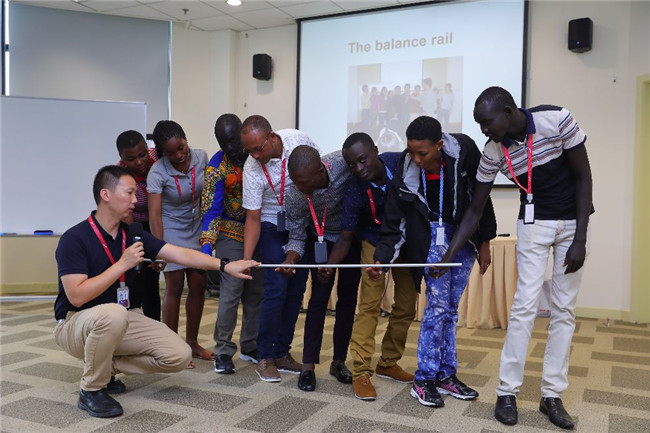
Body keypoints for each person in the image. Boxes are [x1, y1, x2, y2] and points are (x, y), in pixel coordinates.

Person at [434, 87, 593, 429]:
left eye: (487, 122)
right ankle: (507, 393)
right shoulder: (493, 151)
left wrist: (580, 237)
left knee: (564, 309)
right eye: (479, 124)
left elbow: (584, 177)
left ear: (508, 111)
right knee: (523, 306)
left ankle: (552, 395)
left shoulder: (556, 119)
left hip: (572, 224)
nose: (483, 130)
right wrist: (449, 253)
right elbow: (475, 209)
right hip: (534, 225)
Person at [54, 165, 258, 418]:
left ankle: (104, 367)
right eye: (129, 193)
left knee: (179, 355)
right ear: (106, 195)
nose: (135, 200)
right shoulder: (74, 238)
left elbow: (180, 254)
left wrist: (225, 265)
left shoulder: (133, 234)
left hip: (121, 318)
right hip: (75, 323)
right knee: (113, 314)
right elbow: (76, 296)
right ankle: (91, 390)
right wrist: (122, 265)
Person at [369, 115, 496, 408]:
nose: (416, 158)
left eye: (422, 153)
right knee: (437, 308)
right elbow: (394, 220)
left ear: (439, 145)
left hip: (462, 238)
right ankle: (424, 378)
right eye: (411, 151)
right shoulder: (406, 166)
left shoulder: (464, 151)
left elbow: (482, 198)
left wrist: (485, 241)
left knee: (450, 309)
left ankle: (445, 375)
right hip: (429, 238)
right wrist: (382, 260)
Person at [319, 132, 418, 401]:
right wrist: (330, 264)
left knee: (406, 305)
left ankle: (388, 362)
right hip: (374, 242)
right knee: (370, 305)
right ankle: (361, 371)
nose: (359, 168)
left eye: (363, 160)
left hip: (405, 239)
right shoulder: (355, 188)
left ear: (375, 150)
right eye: (352, 165)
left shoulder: (400, 163)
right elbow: (346, 237)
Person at [240, 115, 317, 383]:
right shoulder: (252, 168)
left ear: (272, 137)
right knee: (276, 289)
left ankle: (282, 352)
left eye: (258, 148)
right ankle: (265, 356)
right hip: (270, 224)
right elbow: (253, 217)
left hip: (301, 221)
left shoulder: (298, 140)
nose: (254, 155)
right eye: (248, 151)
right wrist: (246, 260)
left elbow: (317, 171)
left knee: (296, 291)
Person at [279, 145, 361, 392]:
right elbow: (296, 236)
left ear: (319, 171)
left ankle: (338, 362)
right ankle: (308, 367)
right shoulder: (294, 194)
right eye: (295, 180)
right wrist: (290, 259)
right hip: (321, 240)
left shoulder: (342, 164)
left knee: (347, 299)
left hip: (350, 237)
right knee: (318, 301)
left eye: (303, 182)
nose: (298, 186)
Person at [200, 114, 264, 374]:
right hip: (230, 234)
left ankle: (250, 345)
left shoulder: (257, 156)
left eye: (233, 140)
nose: (230, 147)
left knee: (255, 293)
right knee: (231, 293)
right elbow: (211, 210)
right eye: (223, 143)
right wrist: (207, 250)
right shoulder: (216, 167)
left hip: (258, 232)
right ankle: (224, 350)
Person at [147, 120, 212, 367]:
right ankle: (172, 349)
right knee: (174, 287)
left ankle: (192, 343)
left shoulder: (202, 158)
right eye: (171, 153)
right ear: (163, 153)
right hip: (170, 228)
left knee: (198, 284)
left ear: (186, 139)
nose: (179, 155)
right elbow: (154, 215)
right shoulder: (157, 172)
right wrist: (160, 250)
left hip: (196, 227)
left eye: (181, 147)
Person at [115, 130, 162, 320]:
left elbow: (156, 214)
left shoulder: (158, 162)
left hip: (156, 223)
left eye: (142, 155)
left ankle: (154, 326)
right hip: (131, 226)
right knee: (135, 279)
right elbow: (126, 214)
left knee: (151, 284)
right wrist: (137, 242)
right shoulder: (119, 176)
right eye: (131, 159)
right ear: (122, 158)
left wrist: (156, 247)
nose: (139, 162)